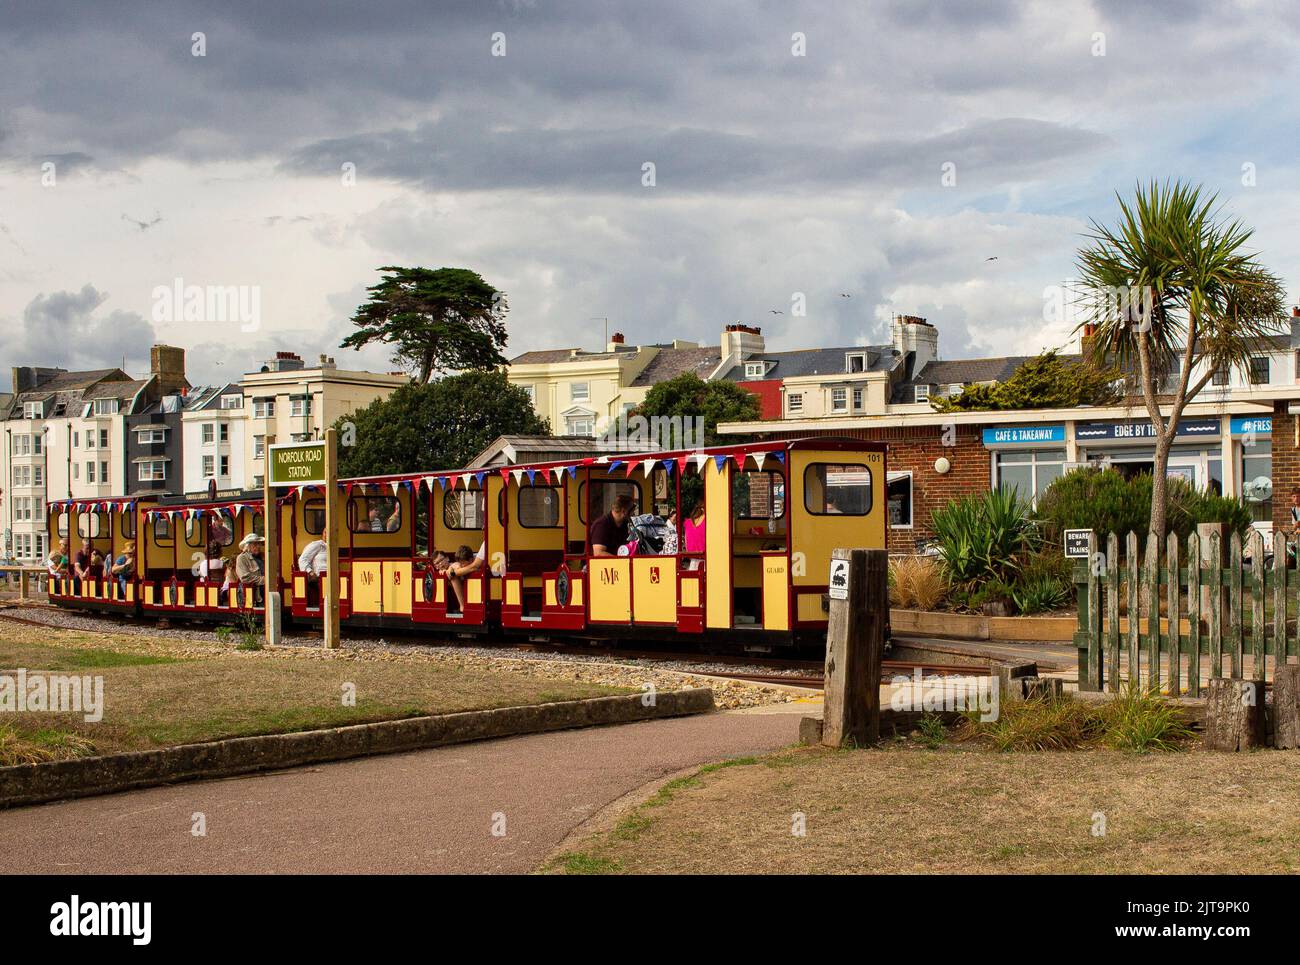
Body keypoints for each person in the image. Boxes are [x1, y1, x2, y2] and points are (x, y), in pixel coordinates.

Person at [447, 543, 486, 613]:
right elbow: (456, 564)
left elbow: (475, 567)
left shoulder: (479, 560)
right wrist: (450, 568)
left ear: (471, 560)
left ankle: (463, 606)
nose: (461, 566)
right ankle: (462, 606)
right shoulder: (464, 560)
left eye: (463, 563)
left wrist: (454, 572)